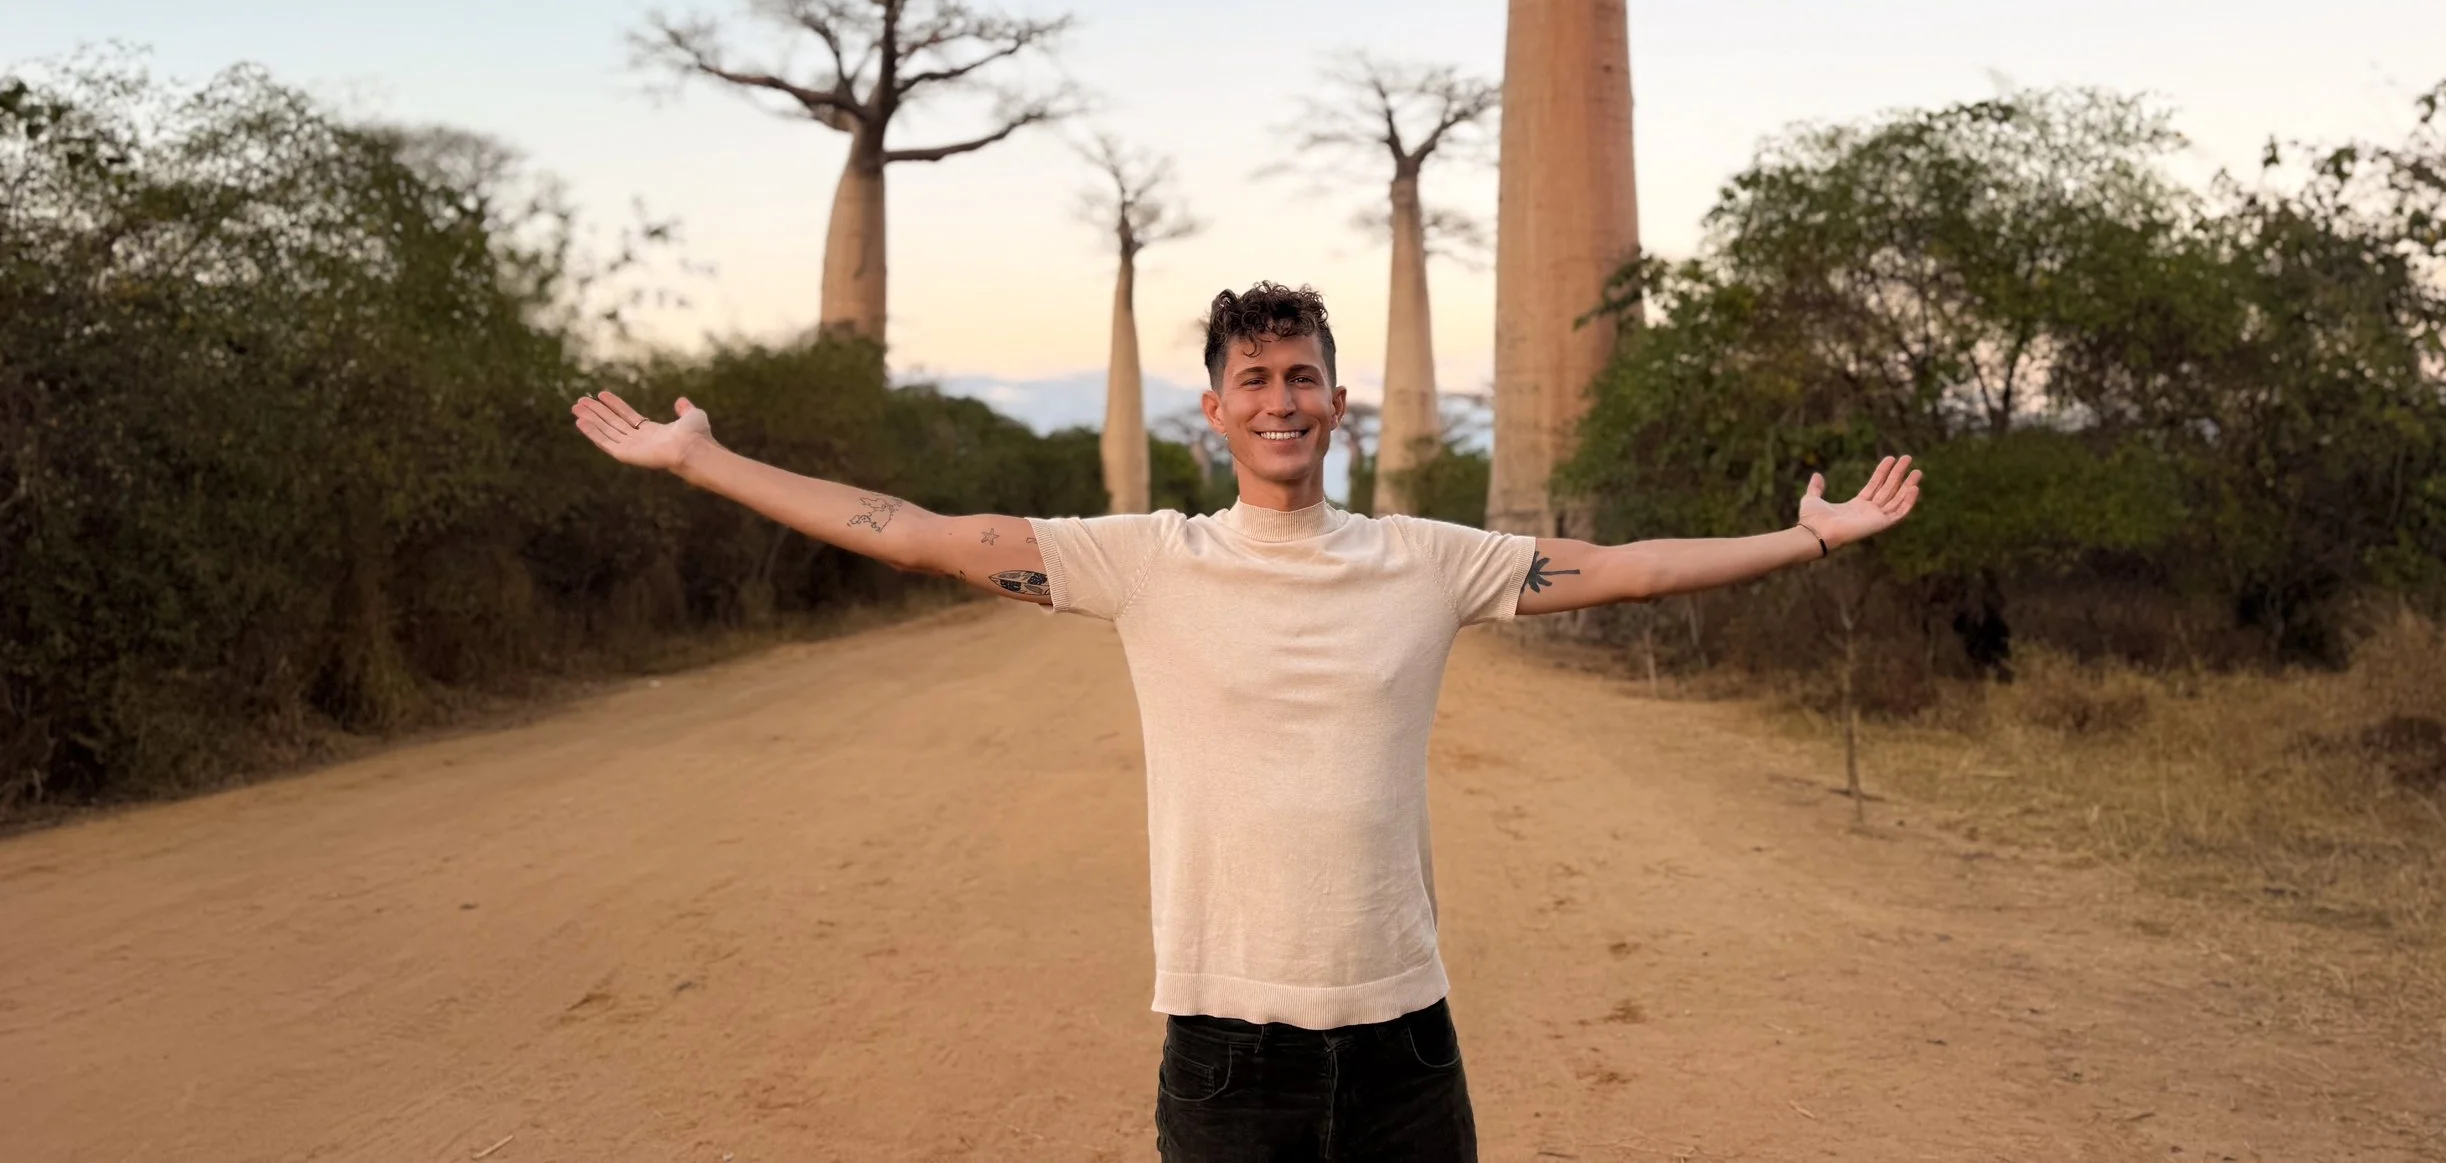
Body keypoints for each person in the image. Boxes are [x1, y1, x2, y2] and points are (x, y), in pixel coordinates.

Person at [572, 280, 1921, 1162]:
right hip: (1227, 1043)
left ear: (1338, 403)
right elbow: (917, 532)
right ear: (1215, 409)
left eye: (1304, 377)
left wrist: (1808, 538)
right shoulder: (1146, 559)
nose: (1283, 399)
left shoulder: (1428, 560)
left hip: (1406, 1032)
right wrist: (703, 458)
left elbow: (1627, 566)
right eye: (1257, 378)